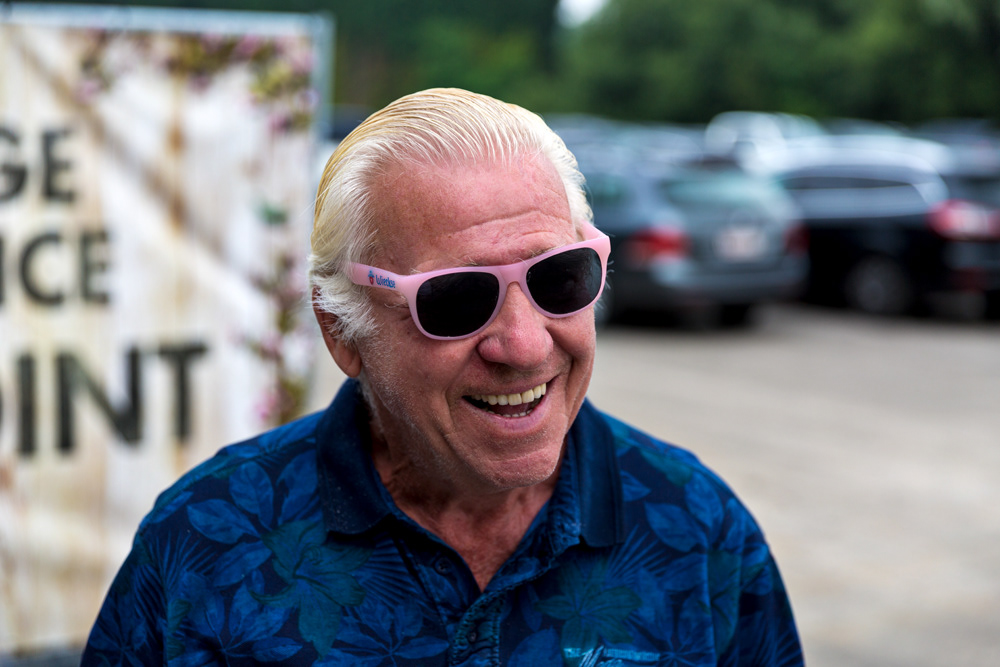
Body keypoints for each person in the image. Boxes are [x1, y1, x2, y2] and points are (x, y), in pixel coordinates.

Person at [83, 88, 803, 666]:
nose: (524, 345)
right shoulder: (204, 546)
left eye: (560, 277)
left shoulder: (701, 531)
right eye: (457, 299)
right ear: (342, 332)